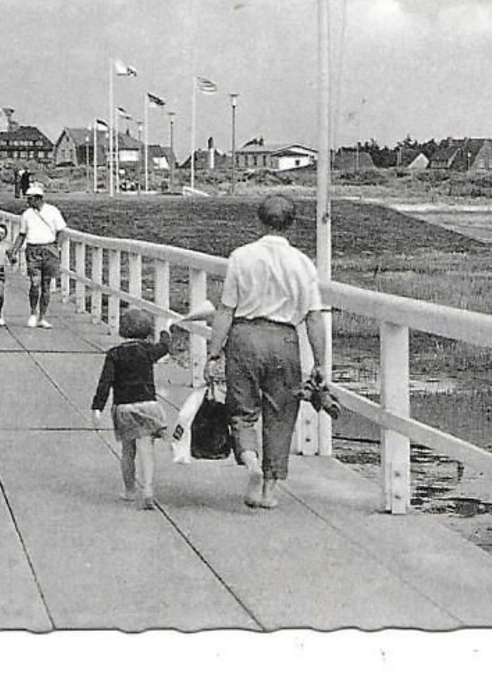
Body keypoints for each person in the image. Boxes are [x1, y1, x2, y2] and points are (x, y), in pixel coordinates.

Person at [204, 194, 328, 510]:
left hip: (244, 337)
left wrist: (214, 353)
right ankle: (269, 489)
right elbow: (314, 316)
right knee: (281, 413)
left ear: (259, 220)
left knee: (241, 411)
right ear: (292, 224)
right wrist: (320, 362)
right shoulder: (303, 263)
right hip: (284, 339)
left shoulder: (241, 256)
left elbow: (226, 309)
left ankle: (252, 465)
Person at [90, 310, 178, 509]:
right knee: (146, 447)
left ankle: (129, 490)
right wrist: (166, 331)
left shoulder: (114, 354)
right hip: (147, 405)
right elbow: (165, 347)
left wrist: (97, 407)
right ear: (147, 331)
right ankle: (147, 488)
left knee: (128, 450)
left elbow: (105, 383)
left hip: (124, 407)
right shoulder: (148, 350)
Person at [12, 183, 67, 328]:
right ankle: (33, 313)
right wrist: (14, 251)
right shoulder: (26, 215)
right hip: (33, 249)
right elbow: (22, 235)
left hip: (49, 248)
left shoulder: (53, 211)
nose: (27, 201)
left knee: (46, 285)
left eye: (29, 199)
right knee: (35, 283)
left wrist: (58, 248)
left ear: (38, 199)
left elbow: (61, 230)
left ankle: (42, 317)